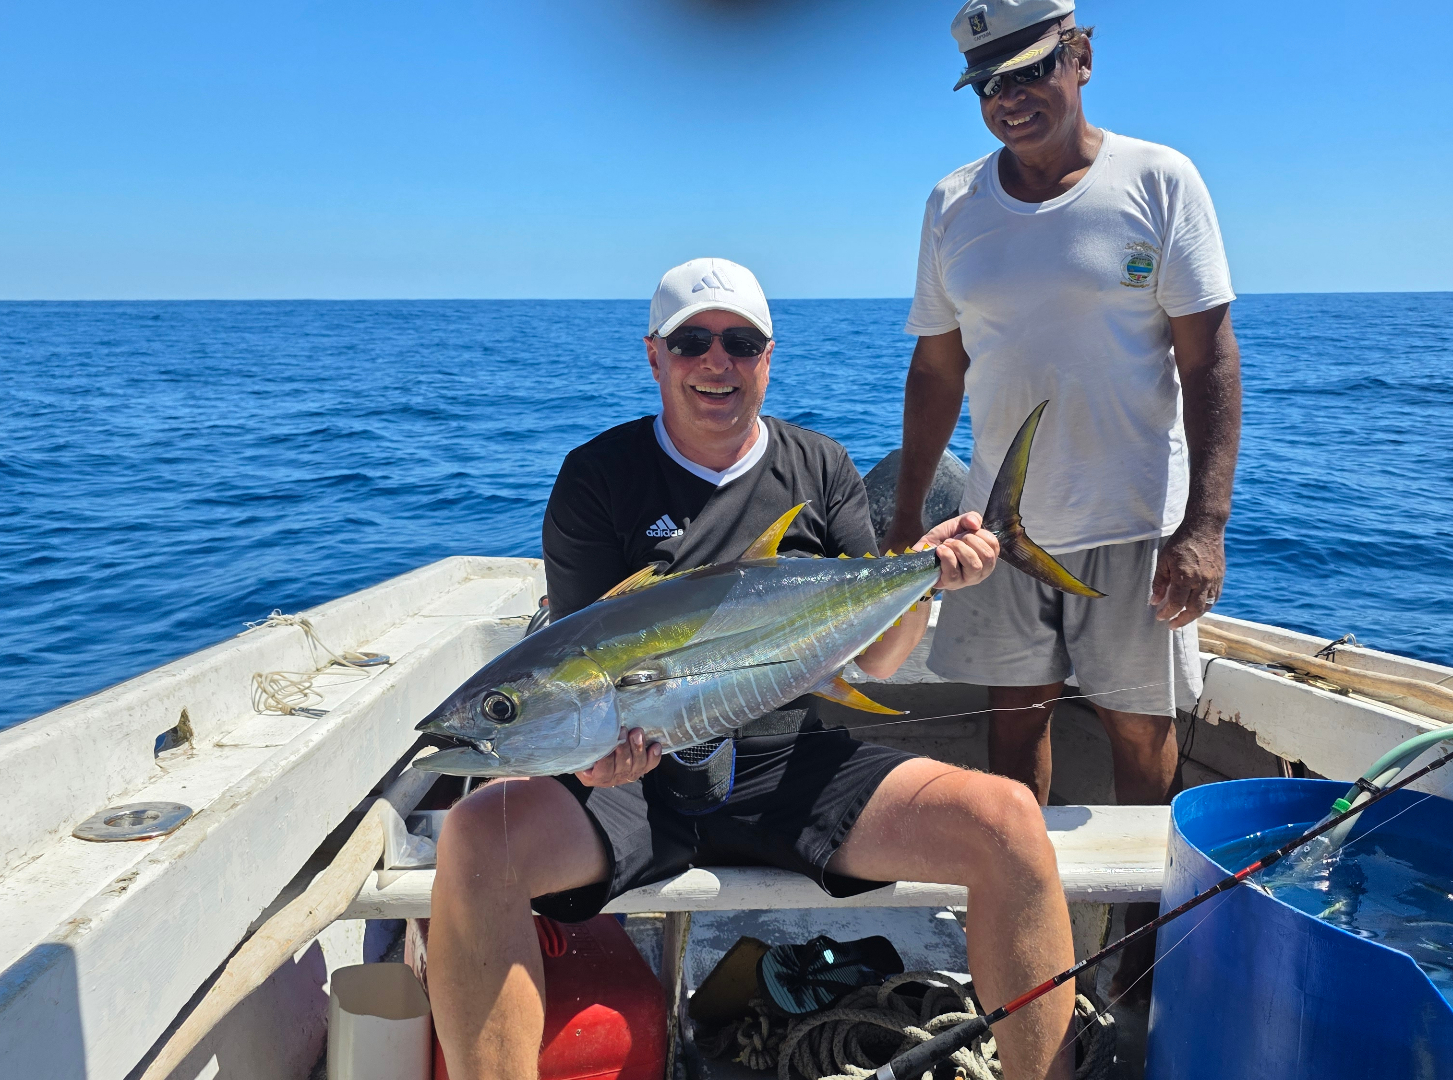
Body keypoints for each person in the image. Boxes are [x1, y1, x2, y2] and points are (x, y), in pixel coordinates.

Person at [429, 258, 1082, 1080]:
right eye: (692, 341)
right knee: (475, 836)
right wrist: (595, 765)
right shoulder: (599, 478)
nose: (717, 361)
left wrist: (922, 578)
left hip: (788, 760)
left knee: (1009, 823)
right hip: (634, 779)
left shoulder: (819, 468)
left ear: (767, 357)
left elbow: (875, 661)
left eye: (740, 342)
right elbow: (575, 663)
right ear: (655, 355)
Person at [881, 0, 1242, 989]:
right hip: (1001, 527)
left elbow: (1209, 358)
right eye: (989, 85)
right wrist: (908, 514)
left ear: (1081, 55)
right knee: (1014, 722)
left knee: (1141, 732)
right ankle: (1023, 927)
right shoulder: (953, 203)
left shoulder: (1160, 181)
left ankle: (1138, 952)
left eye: (1031, 71)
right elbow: (937, 370)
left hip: (1136, 520)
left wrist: (1203, 526)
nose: (1011, 98)